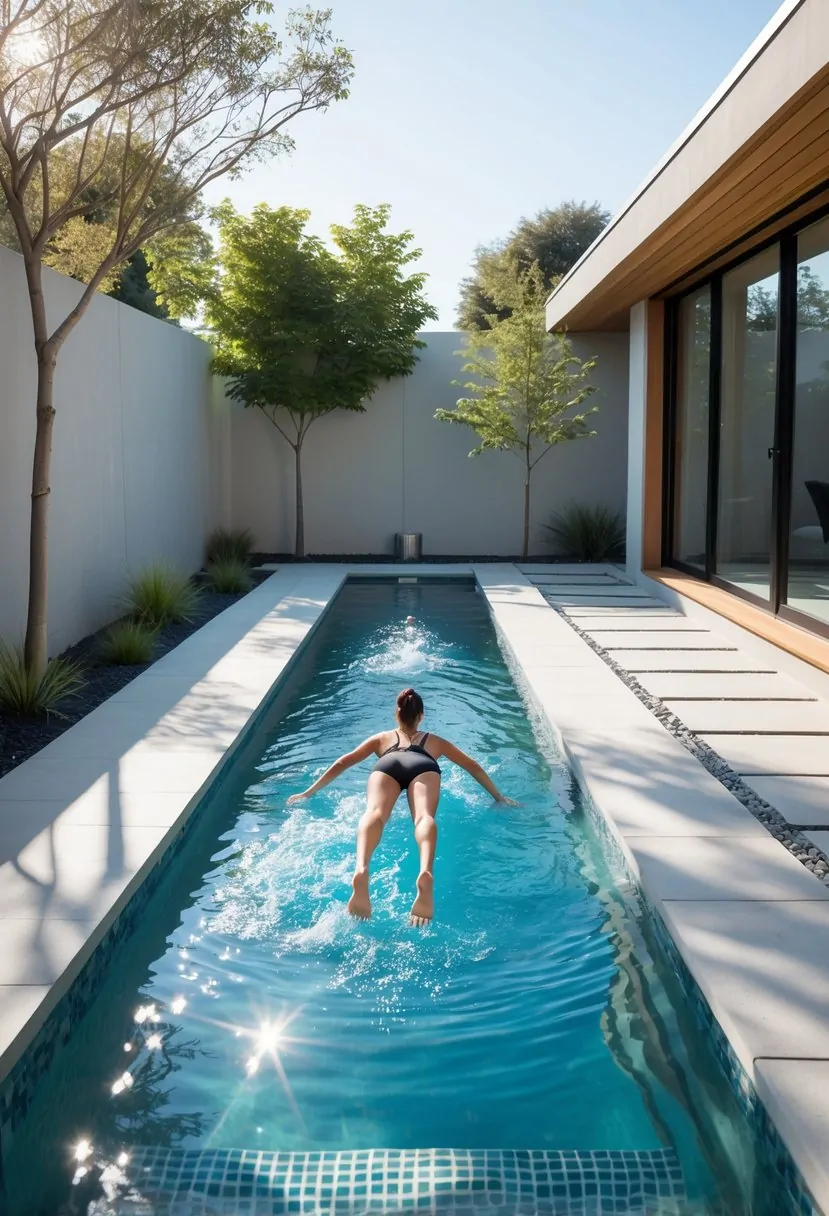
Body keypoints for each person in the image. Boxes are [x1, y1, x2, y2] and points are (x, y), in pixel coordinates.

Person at [287, 687, 516, 926]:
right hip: (423, 765)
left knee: (374, 813)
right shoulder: (435, 741)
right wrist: (498, 796)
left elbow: (343, 761)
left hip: (388, 762)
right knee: (424, 817)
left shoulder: (381, 738)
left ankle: (362, 867)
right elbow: (472, 766)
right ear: (421, 715)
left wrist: (308, 792)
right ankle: (426, 871)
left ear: (397, 714)